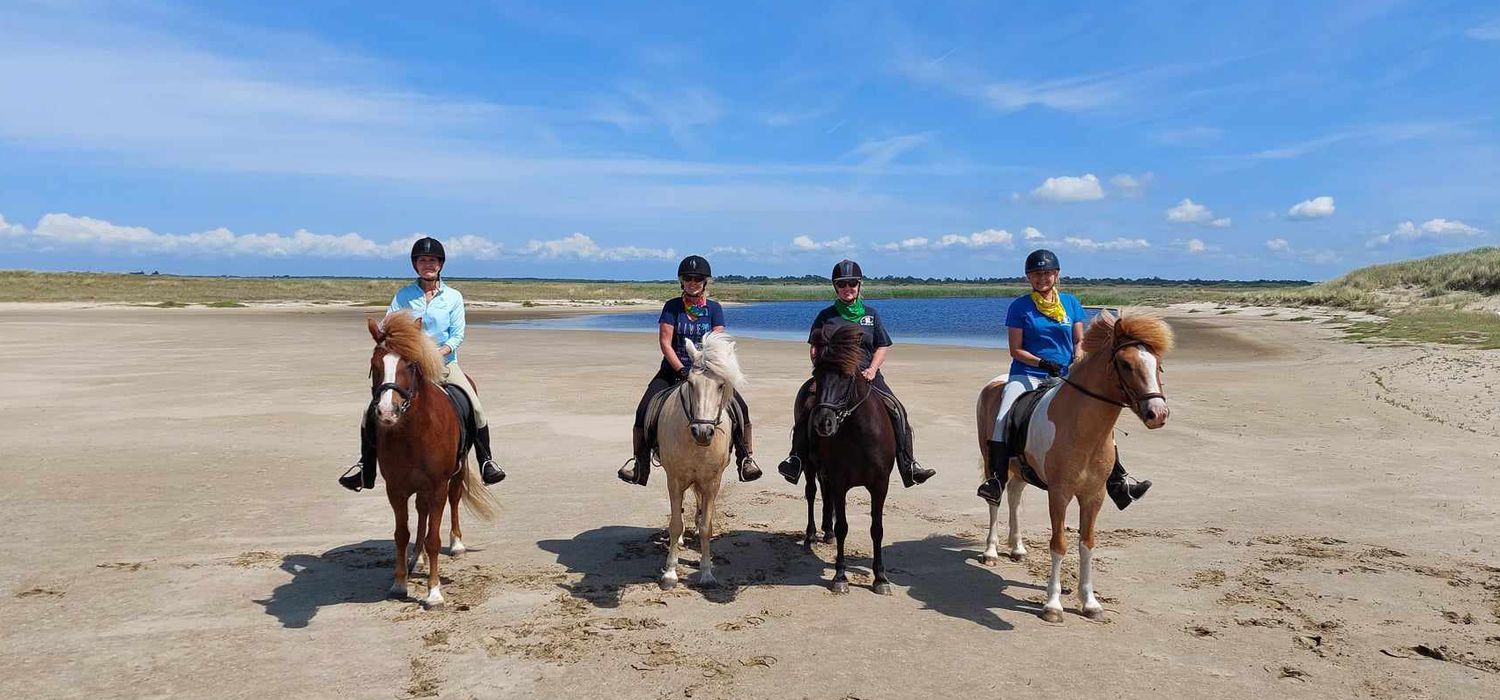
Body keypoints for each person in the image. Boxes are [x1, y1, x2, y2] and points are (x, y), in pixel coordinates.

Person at [975, 249, 1152, 509]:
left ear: (1056, 275)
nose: (1042, 278)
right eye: (1036, 274)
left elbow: (1079, 339)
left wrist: (1076, 360)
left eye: (1047, 273)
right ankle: (996, 479)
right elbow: (1016, 350)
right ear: (1028, 278)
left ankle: (1118, 481)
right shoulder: (1019, 307)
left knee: (1098, 421)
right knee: (1003, 416)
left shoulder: (1070, 303)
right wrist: (1043, 363)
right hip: (1027, 374)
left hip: (1065, 375)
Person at [338, 237, 507, 491]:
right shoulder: (403, 296)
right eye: (422, 260)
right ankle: (365, 467)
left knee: (476, 407)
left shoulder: (453, 297)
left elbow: (457, 335)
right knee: (369, 412)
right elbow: (388, 326)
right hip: (409, 367)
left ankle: (486, 462)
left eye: (432, 260)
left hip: (444, 365)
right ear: (415, 265)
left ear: (440, 264)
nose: (427, 264)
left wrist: (439, 352)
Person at [776, 259, 936, 488]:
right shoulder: (826, 316)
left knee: (898, 410)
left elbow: (883, 345)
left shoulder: (871, 315)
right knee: (809, 407)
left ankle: (908, 464)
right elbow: (815, 347)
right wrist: (822, 370)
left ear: (859, 285)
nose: (847, 288)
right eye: (842, 284)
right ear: (835, 287)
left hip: (867, 376)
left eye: (852, 283)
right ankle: (796, 458)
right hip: (833, 377)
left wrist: (872, 369)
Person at [617, 255, 761, 486]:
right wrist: (683, 370)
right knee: (644, 409)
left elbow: (718, 344)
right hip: (674, 371)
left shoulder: (714, 309)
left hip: (708, 375)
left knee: (740, 408)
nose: (693, 282)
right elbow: (666, 343)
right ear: (681, 281)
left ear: (705, 282)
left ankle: (746, 458)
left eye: (698, 279)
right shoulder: (672, 307)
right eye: (688, 278)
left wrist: (710, 371)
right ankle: (639, 463)